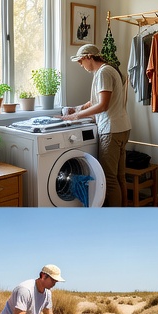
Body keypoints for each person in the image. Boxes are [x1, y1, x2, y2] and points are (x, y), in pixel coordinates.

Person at [58, 44, 131, 205]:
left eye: (81, 60)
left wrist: (76, 116)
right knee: (120, 177)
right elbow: (95, 101)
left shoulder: (103, 73)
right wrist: (77, 109)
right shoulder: (108, 70)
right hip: (122, 127)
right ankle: (124, 217)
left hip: (111, 128)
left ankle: (113, 221)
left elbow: (103, 105)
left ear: (90, 57)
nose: (80, 64)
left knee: (109, 179)